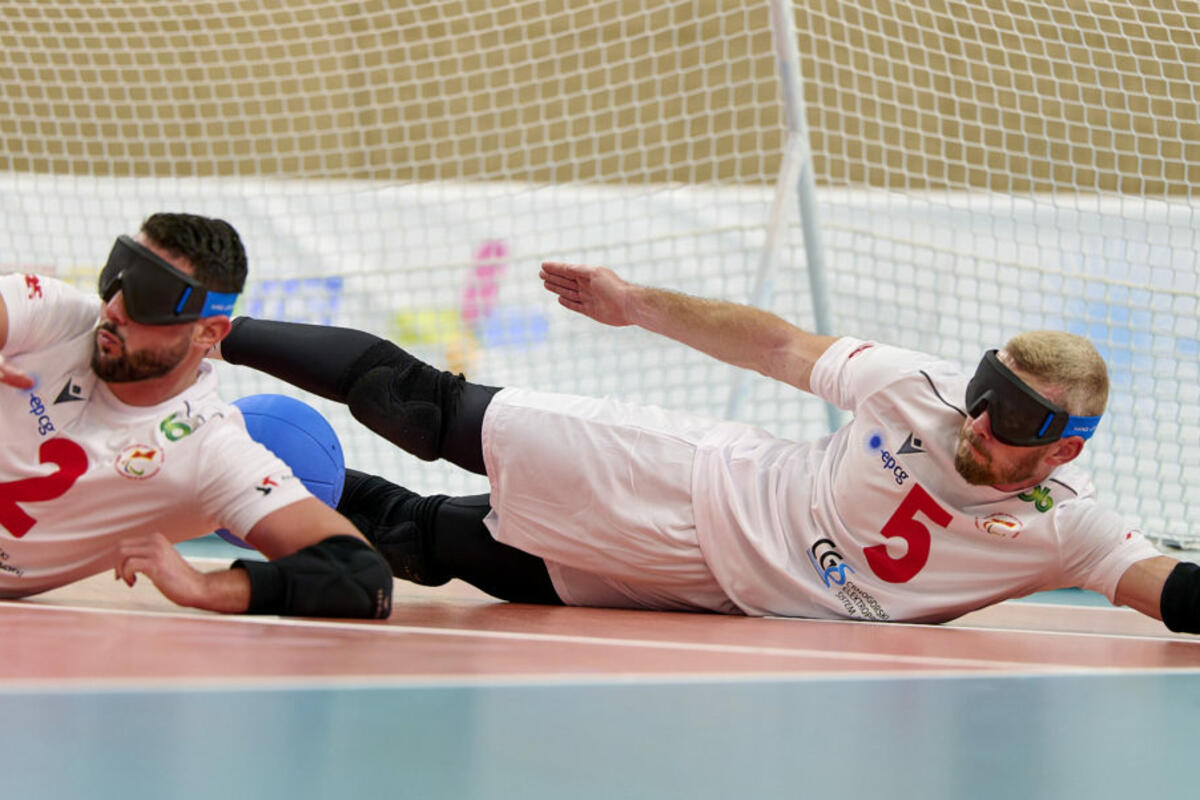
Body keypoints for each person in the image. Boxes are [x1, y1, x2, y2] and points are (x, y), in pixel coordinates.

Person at [214, 260, 1199, 633]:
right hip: (689, 477)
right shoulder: (914, 389)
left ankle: (233, 478)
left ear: (1064, 451)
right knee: (426, 408)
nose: (979, 423)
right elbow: (775, 344)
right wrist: (638, 305)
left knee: (421, 540)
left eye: (1016, 420)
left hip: (689, 588)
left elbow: (1171, 591)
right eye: (986, 394)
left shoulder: (1068, 529)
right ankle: (218, 331)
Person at [0, 213, 391, 619]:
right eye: (117, 280)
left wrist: (207, 587)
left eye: (148, 296)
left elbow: (364, 579)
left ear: (208, 333)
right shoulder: (56, 317)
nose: (113, 309)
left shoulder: (209, 451)